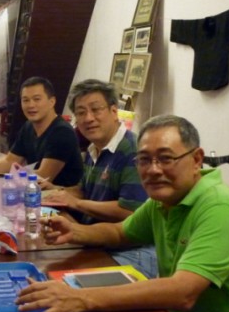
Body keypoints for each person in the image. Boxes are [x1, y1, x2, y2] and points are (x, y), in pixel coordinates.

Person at [16, 114, 229, 312]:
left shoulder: (219, 207)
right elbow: (120, 233)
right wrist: (77, 232)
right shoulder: (163, 200)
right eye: (144, 159)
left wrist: (81, 298)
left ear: (197, 160)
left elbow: (183, 292)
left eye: (165, 158)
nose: (153, 170)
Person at [43, 79, 156, 278]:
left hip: (130, 249)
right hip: (97, 239)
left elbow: (129, 211)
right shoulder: (93, 148)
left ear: (114, 111)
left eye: (96, 109)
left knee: (59, 278)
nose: (88, 118)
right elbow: (84, 190)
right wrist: (53, 191)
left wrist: (76, 203)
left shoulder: (133, 150)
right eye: (81, 112)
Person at [0, 76, 83, 187]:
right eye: (25, 100)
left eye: (37, 99)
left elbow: (42, 176)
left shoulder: (62, 132)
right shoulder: (28, 127)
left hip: (59, 198)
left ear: (52, 101)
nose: (31, 105)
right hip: (34, 194)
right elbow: (9, 161)